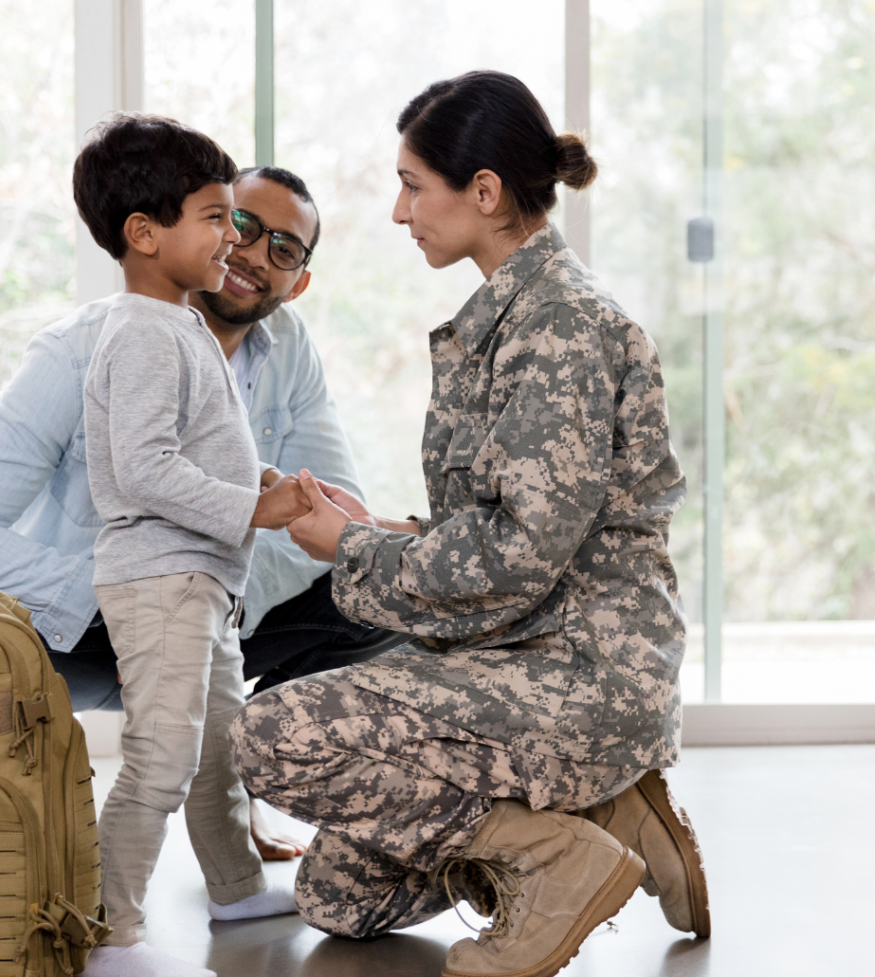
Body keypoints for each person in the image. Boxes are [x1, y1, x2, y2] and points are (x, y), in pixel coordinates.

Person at [231, 71, 710, 977]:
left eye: (414, 184)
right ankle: (611, 816)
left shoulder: (561, 328)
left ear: (484, 192)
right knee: (340, 899)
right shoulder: (507, 319)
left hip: (579, 674)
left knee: (266, 738)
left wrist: (355, 550)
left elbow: (520, 554)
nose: (400, 211)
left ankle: (555, 859)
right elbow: (505, 519)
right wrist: (390, 527)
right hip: (515, 658)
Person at [0, 160, 406, 862]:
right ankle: (112, 913)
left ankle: (253, 770)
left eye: (284, 248)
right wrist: (134, 604)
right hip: (80, 631)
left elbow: (326, 529)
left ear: (301, 280)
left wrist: (200, 617)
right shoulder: (77, 349)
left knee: (383, 590)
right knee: (140, 779)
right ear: (196, 222)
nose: (256, 254)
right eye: (239, 223)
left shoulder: (288, 351)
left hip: (212, 625)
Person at [77, 115, 311, 977]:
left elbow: (207, 451)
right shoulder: (142, 330)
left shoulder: (177, 325)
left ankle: (237, 886)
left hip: (204, 583)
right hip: (163, 582)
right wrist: (255, 510)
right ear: (145, 235)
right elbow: (144, 471)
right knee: (163, 761)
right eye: (216, 218)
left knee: (223, 752)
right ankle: (112, 930)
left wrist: (270, 483)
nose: (234, 237)